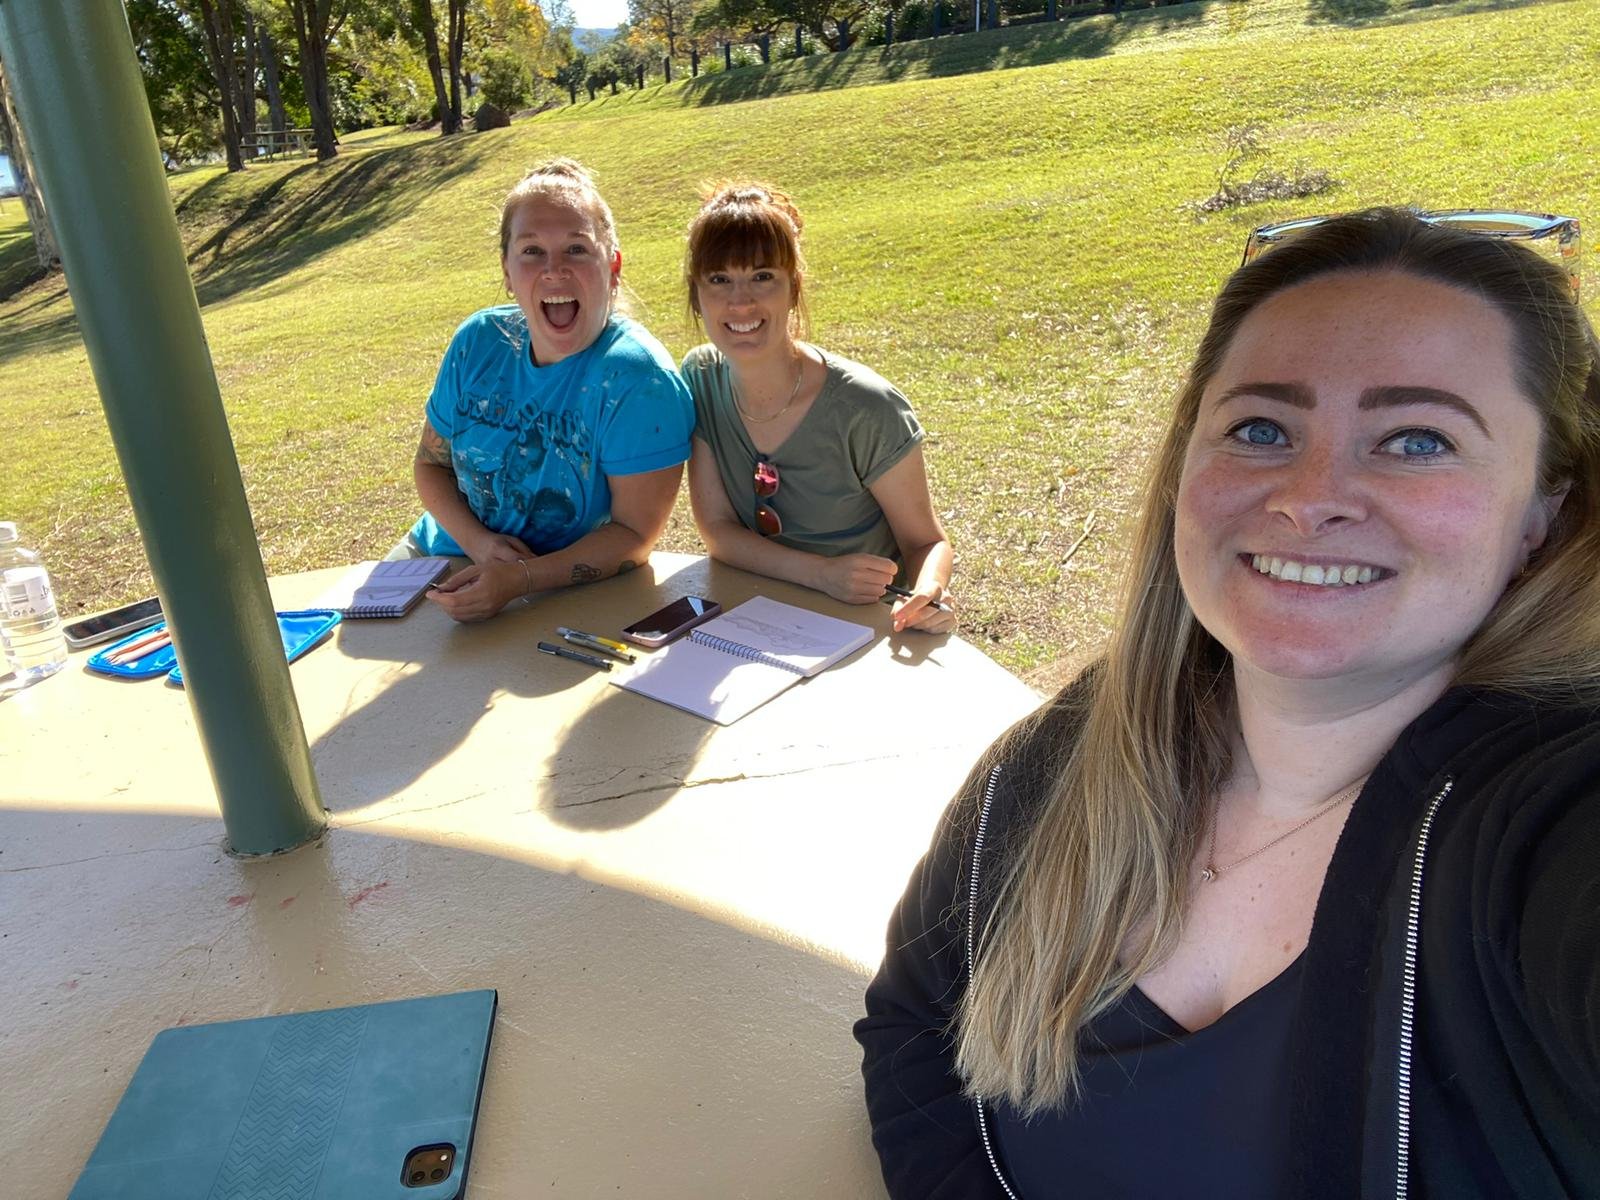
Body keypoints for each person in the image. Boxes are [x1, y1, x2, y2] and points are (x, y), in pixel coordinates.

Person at [855, 209, 1600, 1198]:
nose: (1309, 493)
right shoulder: (1065, 761)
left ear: (1544, 513)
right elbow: (915, 1033)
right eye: (1259, 428)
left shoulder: (1550, 825)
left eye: (1417, 439)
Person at [402, 159, 694, 622]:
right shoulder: (477, 342)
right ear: (506, 270)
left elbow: (634, 536)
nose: (554, 269)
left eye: (577, 249)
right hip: (439, 558)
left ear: (612, 266)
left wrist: (519, 577)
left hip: (566, 588)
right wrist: (481, 546)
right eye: (532, 250)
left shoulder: (638, 379)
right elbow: (430, 466)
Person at [680, 183, 955, 634]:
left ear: (793, 286)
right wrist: (820, 574)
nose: (740, 301)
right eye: (719, 279)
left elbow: (925, 542)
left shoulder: (868, 408)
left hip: (864, 627)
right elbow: (718, 531)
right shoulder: (701, 378)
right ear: (697, 294)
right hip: (754, 618)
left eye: (763, 276)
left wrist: (928, 591)